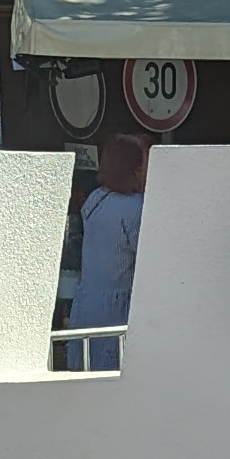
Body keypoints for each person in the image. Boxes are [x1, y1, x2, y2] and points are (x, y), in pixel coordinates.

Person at [69, 133, 148, 368]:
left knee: (85, 370)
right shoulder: (136, 208)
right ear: (134, 168)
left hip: (86, 302)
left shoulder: (97, 198)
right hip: (117, 309)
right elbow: (148, 258)